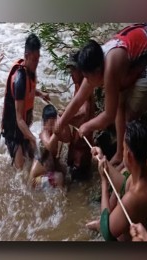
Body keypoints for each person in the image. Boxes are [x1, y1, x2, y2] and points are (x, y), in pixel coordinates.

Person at [55, 23, 147, 166]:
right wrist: (61, 122)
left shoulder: (110, 70)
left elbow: (108, 116)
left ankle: (129, 161)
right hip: (145, 45)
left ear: (97, 71)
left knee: (130, 115)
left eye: (87, 77)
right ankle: (119, 153)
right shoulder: (98, 61)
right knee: (119, 104)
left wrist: (87, 126)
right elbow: (79, 99)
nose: (87, 81)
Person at [87, 120, 147, 241]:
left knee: (104, 226)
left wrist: (104, 182)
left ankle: (99, 223)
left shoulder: (134, 198)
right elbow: (125, 184)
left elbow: (107, 231)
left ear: (130, 156)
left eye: (123, 148)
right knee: (123, 174)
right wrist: (102, 159)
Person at [1, 34, 50, 170]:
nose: (37, 63)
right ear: (27, 56)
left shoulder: (31, 72)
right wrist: (32, 138)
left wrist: (41, 94)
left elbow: (30, 90)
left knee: (32, 158)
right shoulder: (20, 80)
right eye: (34, 60)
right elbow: (19, 119)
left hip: (23, 127)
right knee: (21, 170)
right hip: (13, 129)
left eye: (38, 59)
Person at [64, 51, 95, 181]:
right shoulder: (77, 85)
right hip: (75, 144)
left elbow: (84, 116)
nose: (71, 73)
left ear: (81, 70)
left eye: (74, 70)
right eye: (70, 70)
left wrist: (64, 119)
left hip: (82, 148)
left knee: (76, 184)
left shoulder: (86, 87)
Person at [29, 105, 71, 190]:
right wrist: (56, 133)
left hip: (46, 173)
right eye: (51, 124)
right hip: (34, 181)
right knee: (59, 177)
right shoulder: (44, 134)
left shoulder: (54, 133)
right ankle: (63, 200)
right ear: (44, 124)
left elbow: (68, 138)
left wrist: (64, 122)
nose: (53, 127)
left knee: (65, 170)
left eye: (54, 123)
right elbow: (49, 146)